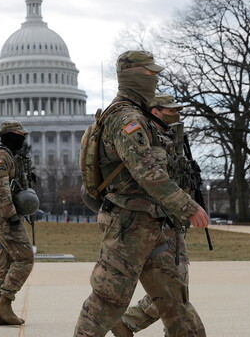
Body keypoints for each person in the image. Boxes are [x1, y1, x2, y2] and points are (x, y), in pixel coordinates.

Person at [73, 51, 210, 337]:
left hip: (152, 223)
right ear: (132, 75)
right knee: (108, 302)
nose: (155, 79)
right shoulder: (127, 119)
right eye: (150, 74)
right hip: (129, 225)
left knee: (175, 301)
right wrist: (189, 207)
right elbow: (147, 173)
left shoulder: (140, 116)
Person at [110, 94, 206, 337]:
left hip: (175, 221)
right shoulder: (149, 140)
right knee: (175, 282)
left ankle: (130, 324)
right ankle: (131, 323)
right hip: (159, 220)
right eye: (171, 110)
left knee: (176, 282)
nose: (177, 114)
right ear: (155, 111)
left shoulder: (174, 141)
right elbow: (153, 179)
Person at [0, 120, 34, 326]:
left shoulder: (10, 156)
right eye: (20, 136)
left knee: (3, 262)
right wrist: (11, 215)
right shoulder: (1, 156)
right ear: (11, 136)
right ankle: (4, 302)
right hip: (4, 216)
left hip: (2, 214)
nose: (23, 140)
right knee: (25, 258)